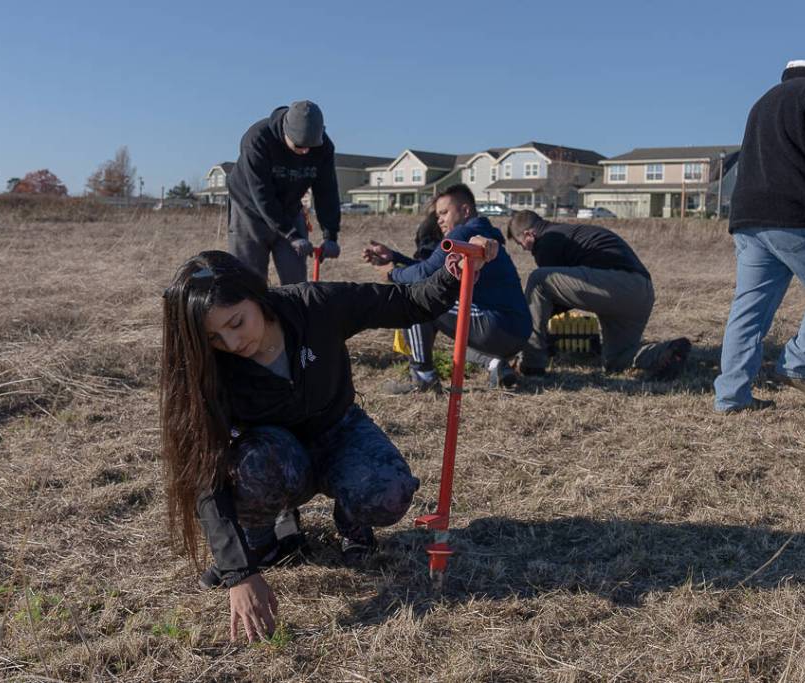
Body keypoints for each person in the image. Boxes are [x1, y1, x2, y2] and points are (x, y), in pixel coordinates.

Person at [159, 239, 498, 643]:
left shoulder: (313, 305)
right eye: (215, 338)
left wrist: (452, 274)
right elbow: (204, 474)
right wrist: (239, 571)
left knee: (388, 493)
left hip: (338, 430)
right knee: (250, 466)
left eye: (237, 323)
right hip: (274, 455)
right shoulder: (208, 369)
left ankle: (351, 521)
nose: (232, 344)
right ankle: (265, 543)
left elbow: (407, 302)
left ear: (256, 295)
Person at [713, 52, 805, 413]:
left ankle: (732, 397)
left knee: (749, 310)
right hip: (794, 215)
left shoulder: (764, 101)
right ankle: (798, 362)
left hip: (749, 219)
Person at [363, 184, 532, 392]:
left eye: (444, 213)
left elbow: (423, 276)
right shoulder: (481, 231)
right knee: (437, 299)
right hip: (516, 332)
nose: (439, 220)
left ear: (465, 210)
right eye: (437, 215)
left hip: (495, 325)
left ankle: (423, 377)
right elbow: (433, 272)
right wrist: (395, 257)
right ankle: (495, 363)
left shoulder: (463, 233)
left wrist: (391, 273)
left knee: (413, 298)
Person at [506, 210, 691, 377]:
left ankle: (532, 364)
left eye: (521, 244)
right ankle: (666, 352)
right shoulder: (568, 232)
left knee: (539, 280)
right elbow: (562, 298)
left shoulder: (547, 241)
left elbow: (549, 299)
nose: (524, 249)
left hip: (617, 284)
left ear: (529, 234)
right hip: (642, 291)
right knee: (616, 361)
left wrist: (519, 321)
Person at [226, 100, 342, 285]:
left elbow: (326, 192)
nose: (305, 151)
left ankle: (291, 313)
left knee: (295, 280)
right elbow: (261, 194)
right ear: (285, 131)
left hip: (289, 209)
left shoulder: (324, 148)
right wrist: (292, 235)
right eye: (299, 145)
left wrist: (331, 236)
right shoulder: (258, 139)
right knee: (249, 282)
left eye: (310, 147)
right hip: (250, 211)